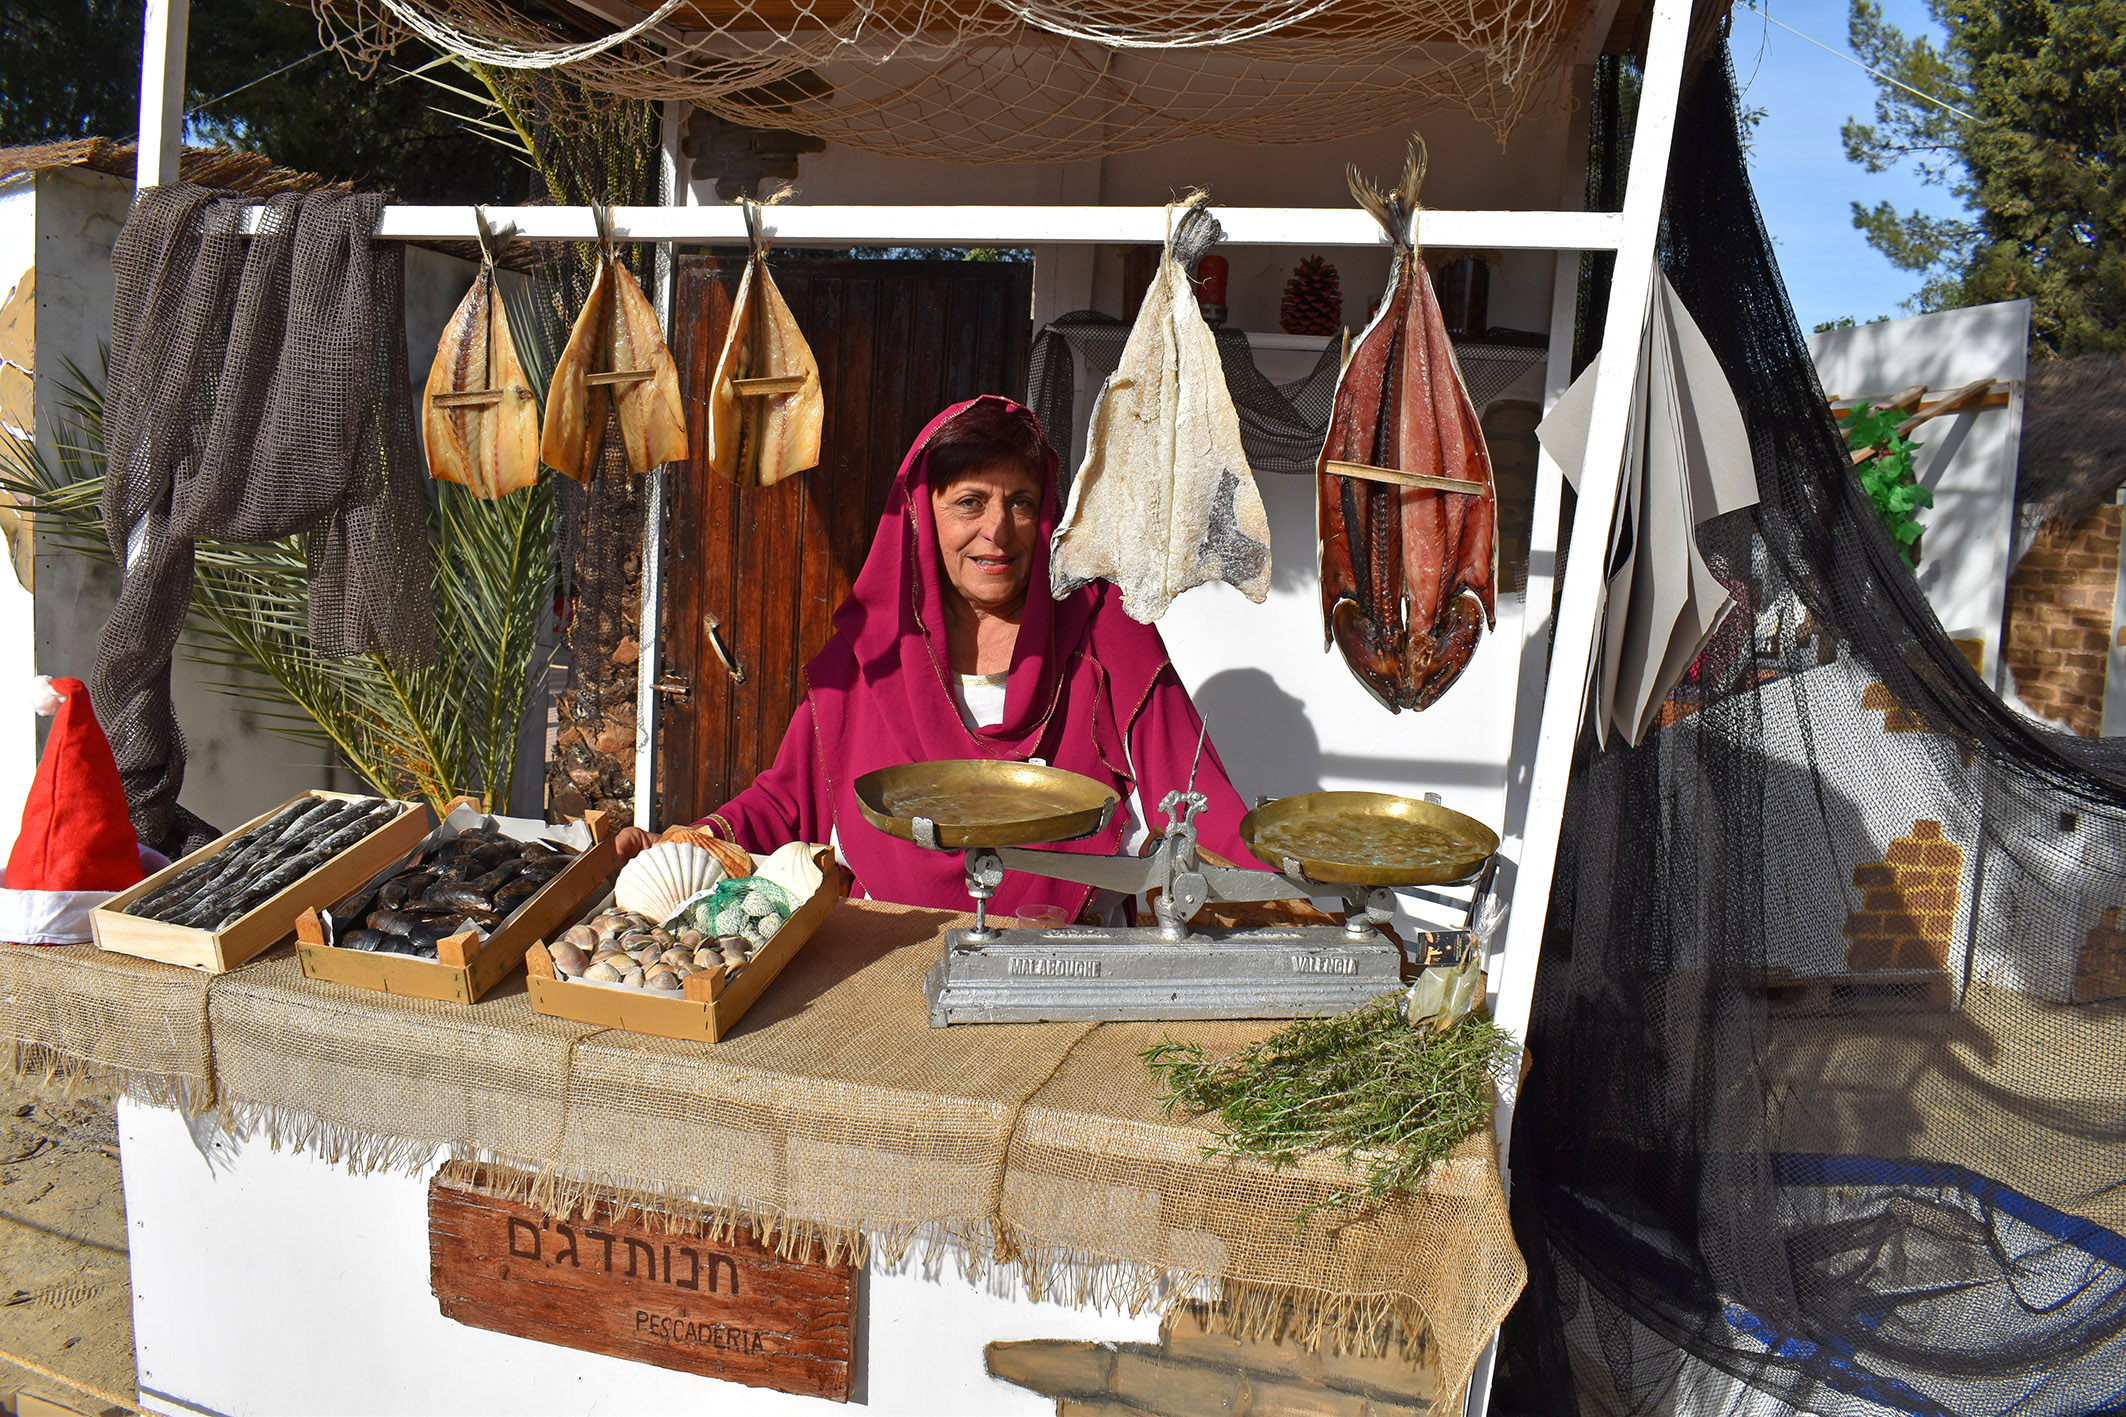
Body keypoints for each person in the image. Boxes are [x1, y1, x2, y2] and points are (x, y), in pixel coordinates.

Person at [615, 395, 1262, 920]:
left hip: (1068, 967)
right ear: (922, 514)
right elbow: (786, 802)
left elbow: (1204, 806)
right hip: (884, 970)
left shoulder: (1107, 637)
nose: (998, 530)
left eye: (1021, 502)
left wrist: (1292, 903)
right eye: (970, 502)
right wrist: (689, 845)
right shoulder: (868, 655)